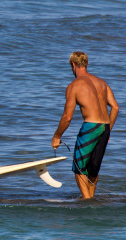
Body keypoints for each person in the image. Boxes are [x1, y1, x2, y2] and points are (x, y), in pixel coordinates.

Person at [51, 51, 119, 199]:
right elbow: (115, 107)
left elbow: (67, 117)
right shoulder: (102, 82)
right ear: (86, 64)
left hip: (91, 127)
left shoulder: (74, 86)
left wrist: (57, 136)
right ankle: (90, 198)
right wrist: (109, 131)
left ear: (73, 65)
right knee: (93, 169)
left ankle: (87, 202)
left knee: (79, 168)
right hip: (105, 127)